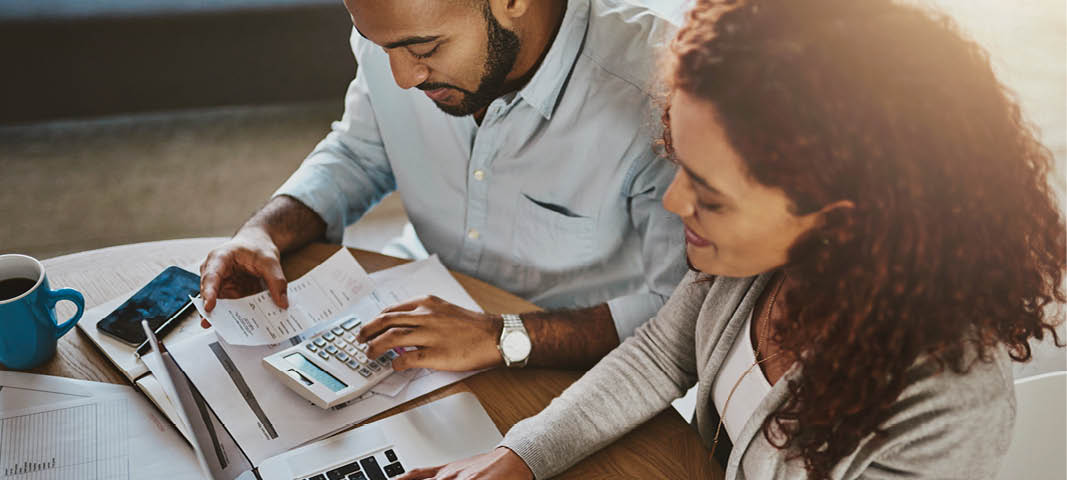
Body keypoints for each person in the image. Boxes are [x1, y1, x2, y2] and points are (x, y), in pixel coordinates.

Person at [398, 0, 1067, 478]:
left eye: (710, 196)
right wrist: (519, 457)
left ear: (840, 222)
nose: (673, 201)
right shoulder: (754, 264)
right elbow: (661, 354)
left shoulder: (943, 410)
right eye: (677, 161)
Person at [198, 0, 689, 371]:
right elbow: (361, 153)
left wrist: (504, 337)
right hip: (408, 299)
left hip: (567, 362)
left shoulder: (658, 95)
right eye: (381, 45)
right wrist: (264, 231)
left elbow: (680, 312)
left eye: (425, 48)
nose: (404, 77)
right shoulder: (399, 32)